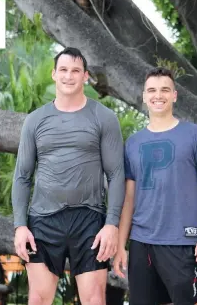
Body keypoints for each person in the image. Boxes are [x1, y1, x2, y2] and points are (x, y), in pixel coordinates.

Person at [11, 47, 125, 305]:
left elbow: (116, 174)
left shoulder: (104, 118)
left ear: (85, 76)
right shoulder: (35, 121)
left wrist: (111, 225)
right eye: (63, 70)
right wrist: (20, 226)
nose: (69, 76)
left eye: (75, 70)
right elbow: (22, 177)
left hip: (89, 220)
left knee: (94, 299)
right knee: (38, 298)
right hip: (43, 220)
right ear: (54, 74)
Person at [113, 67, 197, 305]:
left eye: (164, 89)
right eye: (151, 90)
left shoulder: (195, 135)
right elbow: (129, 199)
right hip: (142, 242)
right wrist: (121, 245)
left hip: (183, 240)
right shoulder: (133, 143)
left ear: (174, 95)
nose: (158, 95)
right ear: (143, 95)